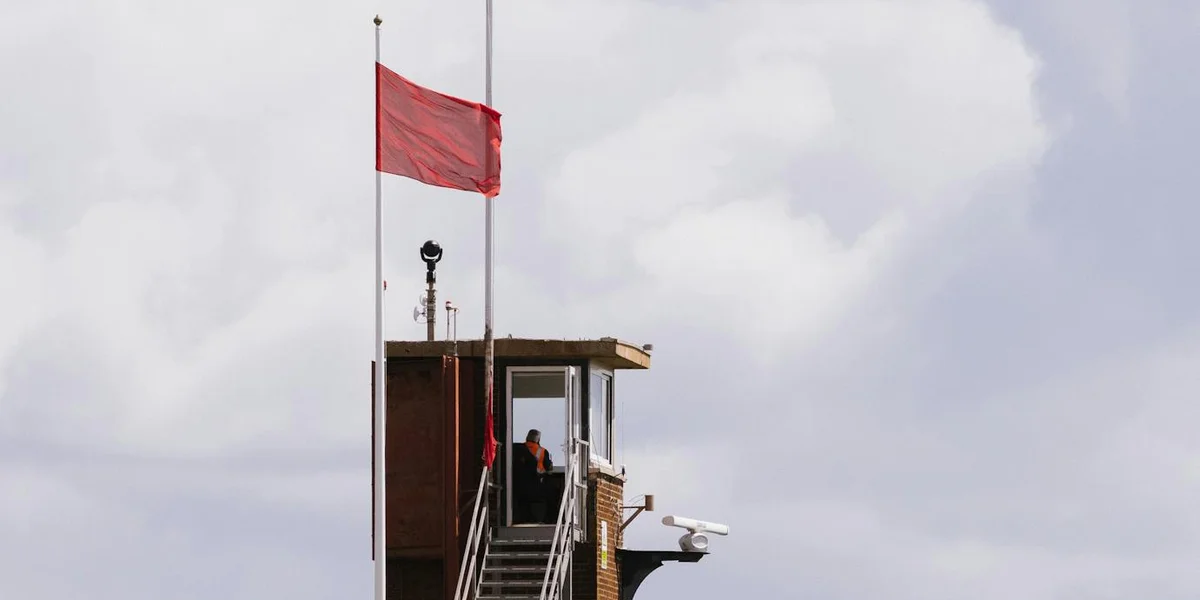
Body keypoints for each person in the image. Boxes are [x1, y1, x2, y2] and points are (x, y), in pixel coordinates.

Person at [512, 428, 554, 523]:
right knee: (547, 498)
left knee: (523, 504)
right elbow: (549, 469)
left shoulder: (516, 448)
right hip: (536, 485)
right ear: (538, 439)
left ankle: (523, 518)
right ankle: (540, 519)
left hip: (517, 486)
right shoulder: (542, 451)